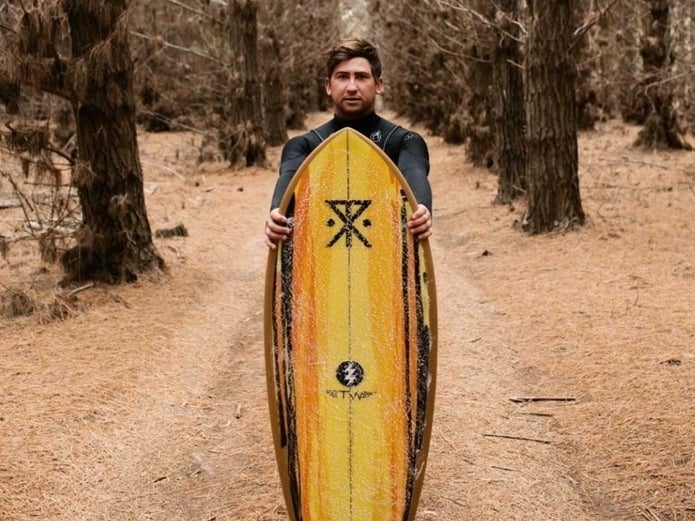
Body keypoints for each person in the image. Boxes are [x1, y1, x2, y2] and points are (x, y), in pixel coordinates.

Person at [264, 37, 433, 249]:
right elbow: (289, 179)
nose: (352, 87)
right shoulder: (304, 146)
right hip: (323, 267)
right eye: (342, 77)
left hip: (387, 264)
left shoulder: (405, 142)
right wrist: (276, 212)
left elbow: (414, 173)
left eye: (361, 77)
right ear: (328, 85)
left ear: (378, 84)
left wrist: (422, 209)